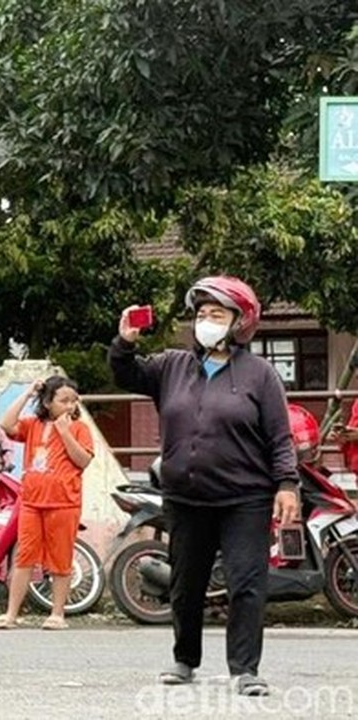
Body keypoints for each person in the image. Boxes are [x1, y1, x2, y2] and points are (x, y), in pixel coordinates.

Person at [109, 275, 301, 697]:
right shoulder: (172, 366)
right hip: (186, 496)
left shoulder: (260, 374)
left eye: (217, 314)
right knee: (186, 583)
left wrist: (287, 484)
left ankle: (245, 669)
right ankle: (184, 659)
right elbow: (126, 375)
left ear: (239, 322)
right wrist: (124, 342)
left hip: (245, 498)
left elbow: (278, 435)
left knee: (246, 583)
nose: (206, 321)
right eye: (201, 314)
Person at [0, 375, 93, 631]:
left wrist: (65, 432)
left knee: (60, 558)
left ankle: (57, 614)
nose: (69, 405)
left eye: (73, 400)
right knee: (24, 557)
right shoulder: (33, 424)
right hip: (32, 502)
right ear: (48, 402)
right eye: (63, 400)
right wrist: (27, 394)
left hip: (63, 503)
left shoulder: (79, 428)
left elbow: (83, 461)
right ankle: (11, 614)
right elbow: (6, 423)